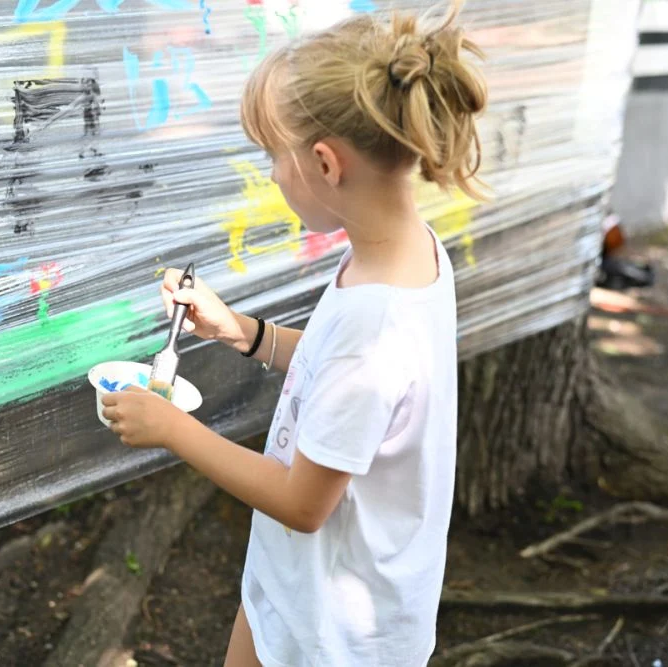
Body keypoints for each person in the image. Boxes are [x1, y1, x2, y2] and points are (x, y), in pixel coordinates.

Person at [101, 1, 487, 664]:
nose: (272, 174)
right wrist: (241, 332)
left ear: (326, 164)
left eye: (274, 155)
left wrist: (172, 428)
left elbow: (302, 502)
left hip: (335, 637)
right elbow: (340, 377)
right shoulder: (402, 252)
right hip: (297, 588)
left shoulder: (376, 323)